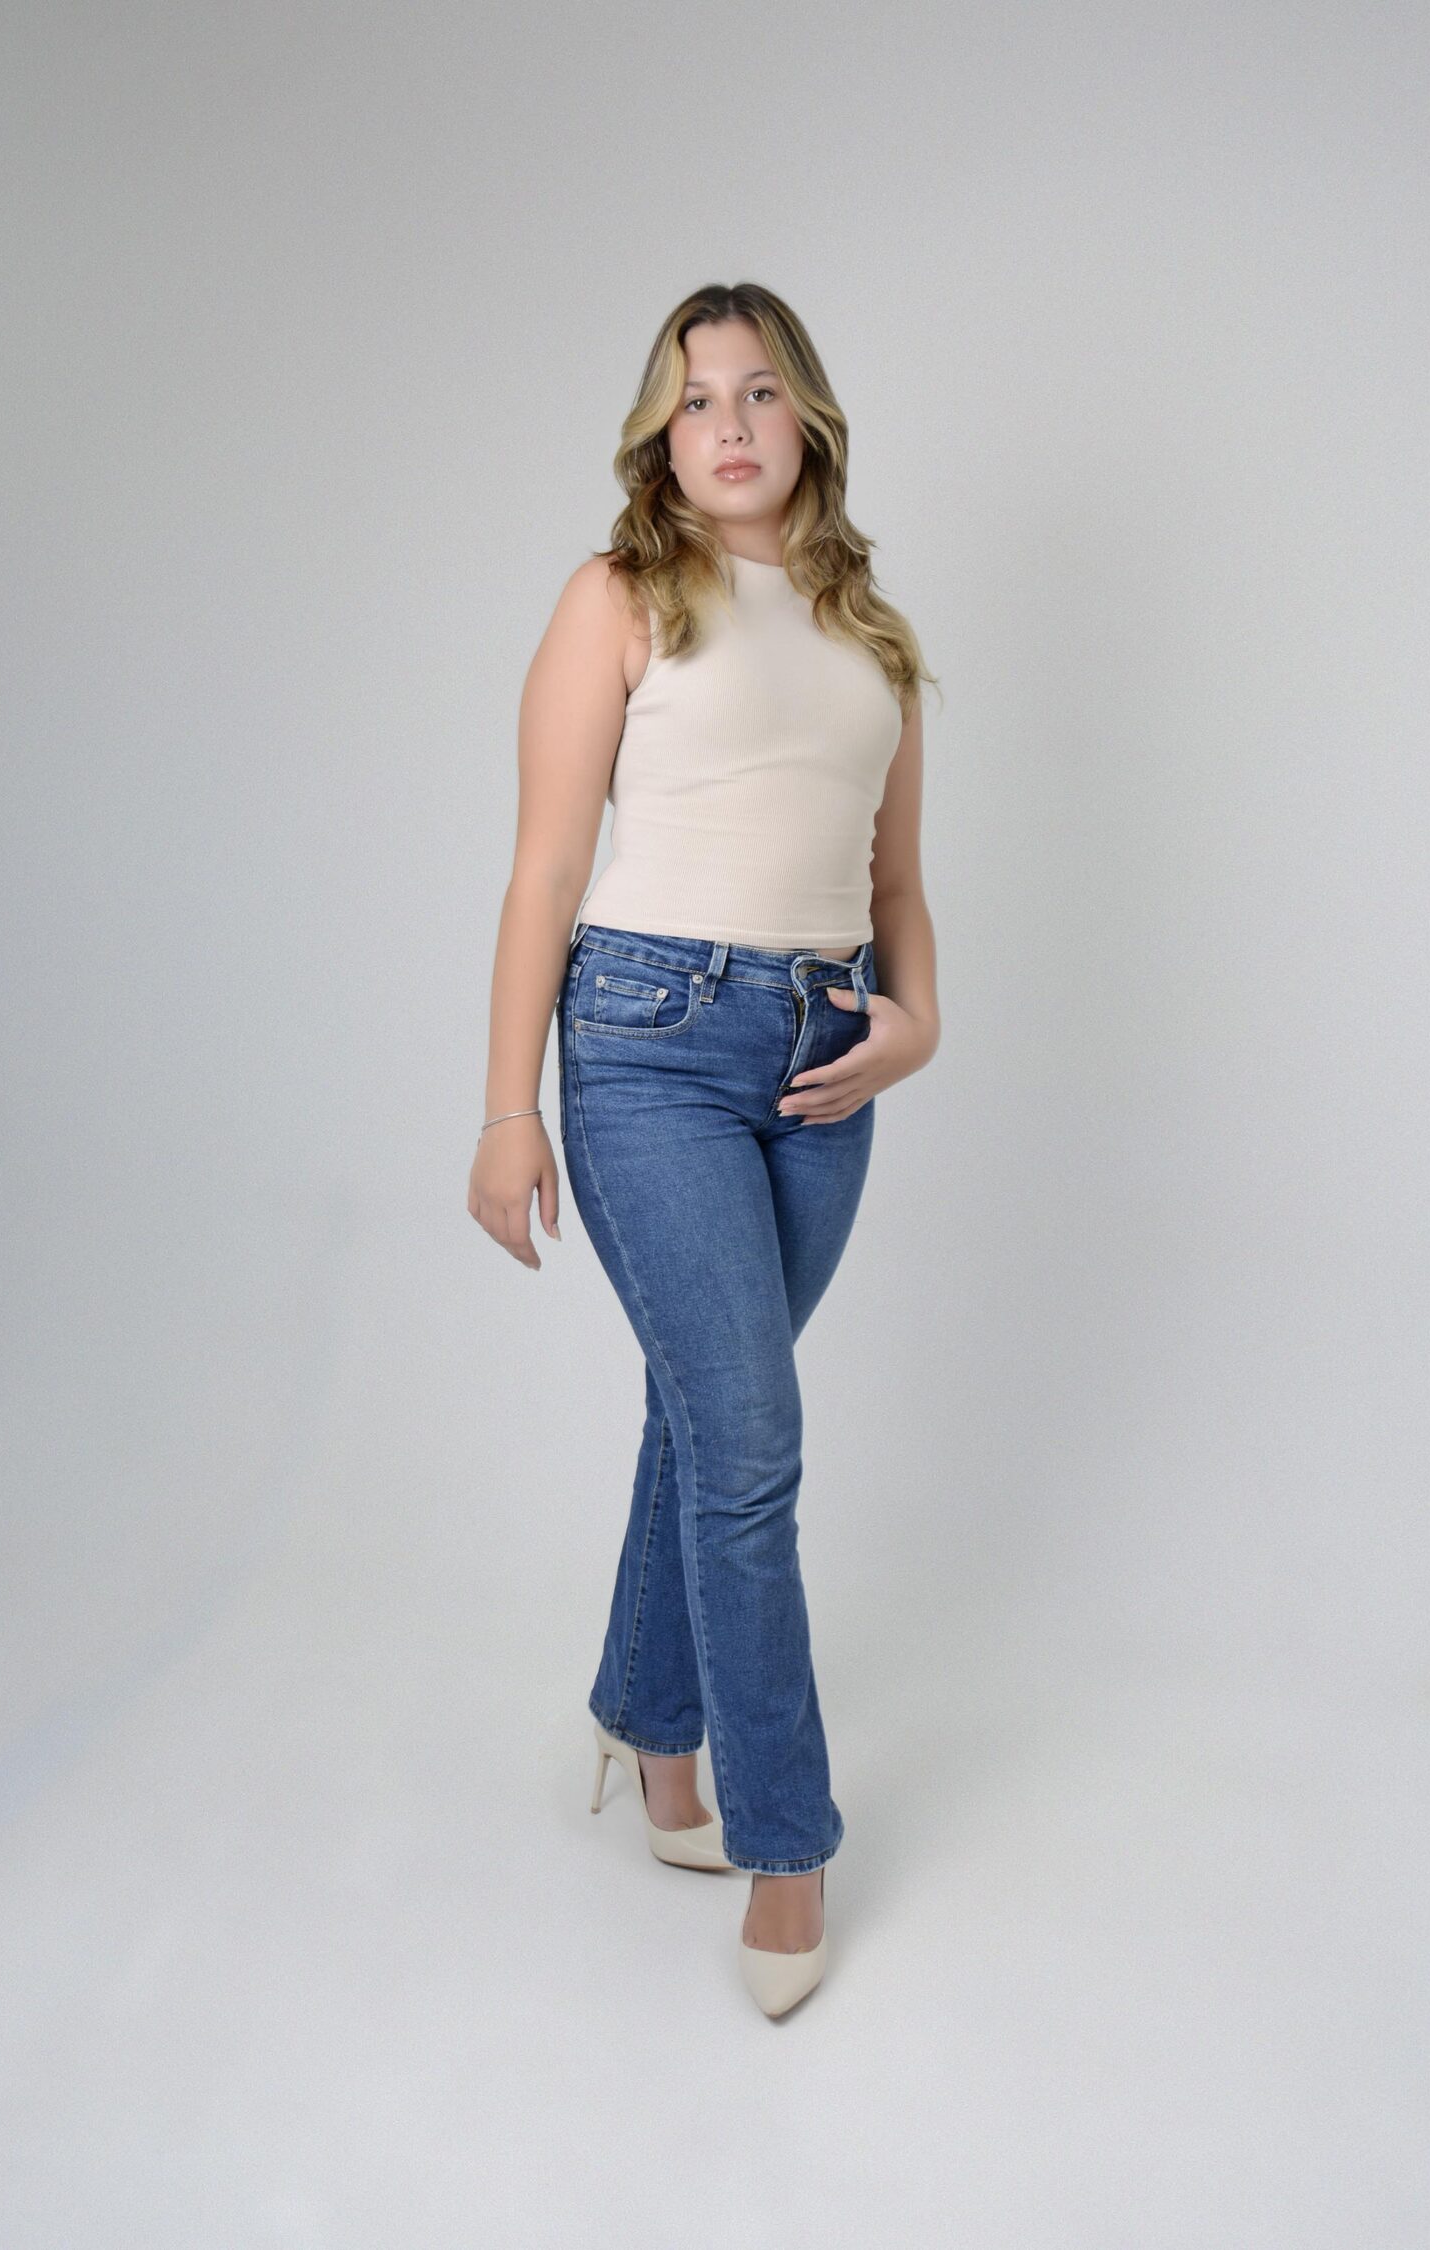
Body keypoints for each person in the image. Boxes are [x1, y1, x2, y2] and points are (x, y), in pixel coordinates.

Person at [467, 281, 940, 2016]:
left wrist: (919, 1022)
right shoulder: (618, 596)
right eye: (693, 400)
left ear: (807, 416)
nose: (727, 424)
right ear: (659, 437)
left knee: (702, 1412)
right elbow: (544, 862)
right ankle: (789, 1841)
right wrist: (508, 1108)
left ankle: (649, 1719)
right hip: (648, 1045)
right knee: (751, 1439)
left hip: (826, 1059)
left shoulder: (873, 636)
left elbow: (897, 887)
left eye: (757, 392)